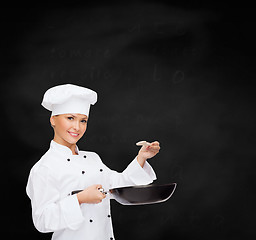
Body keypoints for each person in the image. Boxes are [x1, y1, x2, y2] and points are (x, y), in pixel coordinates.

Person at [26, 84, 160, 240]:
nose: (77, 127)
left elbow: (118, 186)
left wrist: (141, 158)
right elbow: (42, 220)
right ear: (53, 120)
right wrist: (80, 199)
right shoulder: (45, 167)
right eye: (70, 118)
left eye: (83, 121)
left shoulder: (92, 158)